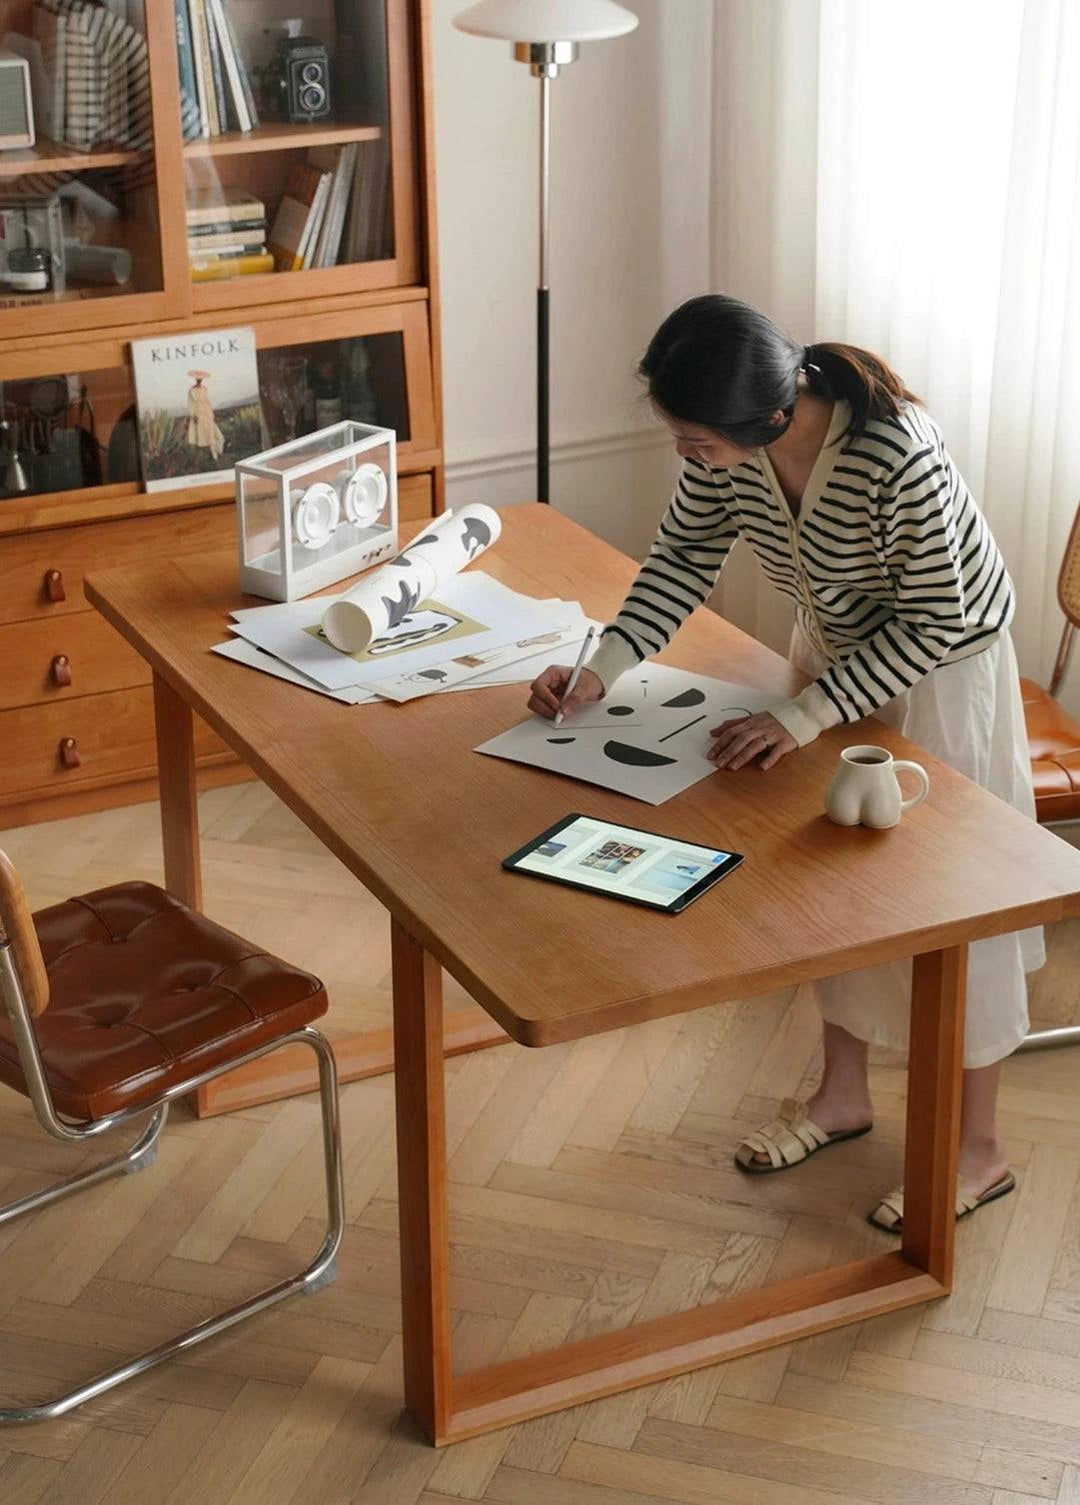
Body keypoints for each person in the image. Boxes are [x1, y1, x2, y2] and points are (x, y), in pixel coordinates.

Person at [527, 293, 1042, 1232]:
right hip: (834, 662)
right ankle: (843, 1094)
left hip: (941, 678)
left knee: (958, 908)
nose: (687, 455)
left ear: (768, 415)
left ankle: (980, 1147)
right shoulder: (729, 453)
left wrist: (803, 715)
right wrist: (599, 668)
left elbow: (940, 618)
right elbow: (683, 559)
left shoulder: (896, 455)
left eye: (694, 441)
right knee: (834, 892)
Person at [186, 370, 225, 461]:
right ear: (196, 379)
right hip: (198, 413)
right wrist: (193, 415)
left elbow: (207, 402)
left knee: (211, 431)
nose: (199, 380)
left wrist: (211, 413)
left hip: (206, 412)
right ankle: (199, 457)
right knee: (200, 434)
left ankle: (214, 453)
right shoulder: (192, 390)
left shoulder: (204, 389)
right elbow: (190, 403)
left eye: (201, 379)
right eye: (198, 378)